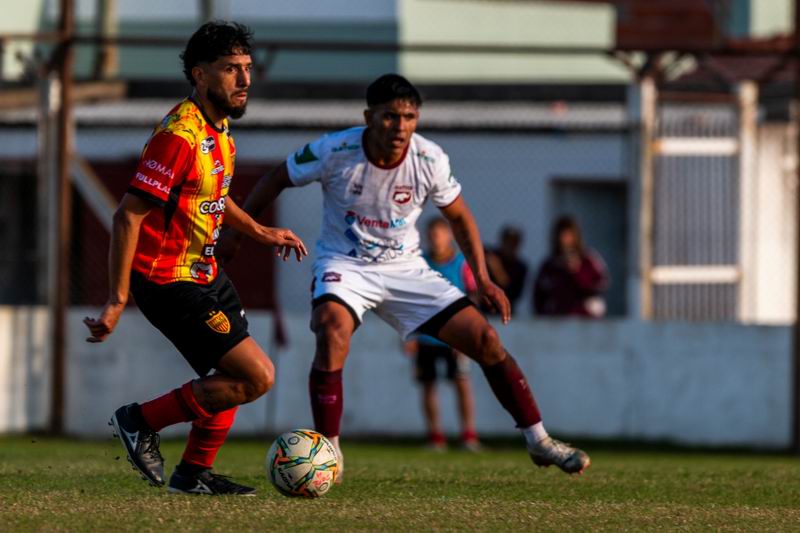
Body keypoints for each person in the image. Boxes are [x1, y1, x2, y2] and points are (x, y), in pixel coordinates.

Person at [219, 74, 590, 479]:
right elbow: (276, 177)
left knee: (485, 340)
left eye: (410, 117)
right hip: (346, 264)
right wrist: (240, 234)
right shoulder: (334, 149)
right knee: (331, 331)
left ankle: (539, 441)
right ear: (369, 117)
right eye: (390, 117)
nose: (400, 127)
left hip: (406, 269)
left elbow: (460, 215)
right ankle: (331, 457)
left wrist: (482, 279)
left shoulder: (430, 159)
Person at [82, 22, 307, 496]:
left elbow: (214, 196)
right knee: (256, 376)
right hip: (167, 280)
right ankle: (139, 421)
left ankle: (192, 474)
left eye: (247, 69)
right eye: (231, 70)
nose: (245, 80)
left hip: (204, 272)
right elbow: (128, 216)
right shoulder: (179, 136)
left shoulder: (218, 130)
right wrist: (118, 299)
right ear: (201, 76)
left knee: (228, 376)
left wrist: (261, 231)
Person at [404, 217, 480, 451]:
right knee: (428, 385)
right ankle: (435, 436)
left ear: (449, 237)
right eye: (432, 234)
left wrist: (466, 334)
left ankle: (468, 435)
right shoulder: (420, 263)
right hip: (427, 336)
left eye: (440, 234)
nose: (436, 239)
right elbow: (409, 300)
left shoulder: (461, 264)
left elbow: (472, 297)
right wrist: (410, 335)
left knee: (461, 382)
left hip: (455, 337)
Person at [533, 215, 609, 317]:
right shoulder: (550, 265)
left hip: (585, 319)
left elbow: (601, 285)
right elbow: (539, 294)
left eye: (568, 235)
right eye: (561, 235)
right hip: (557, 320)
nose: (564, 240)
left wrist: (578, 272)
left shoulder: (588, 259)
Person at [484, 225, 528, 314]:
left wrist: (497, 269)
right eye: (508, 242)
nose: (510, 246)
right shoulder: (490, 255)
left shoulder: (521, 267)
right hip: (485, 309)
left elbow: (513, 294)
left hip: (507, 312)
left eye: (514, 243)